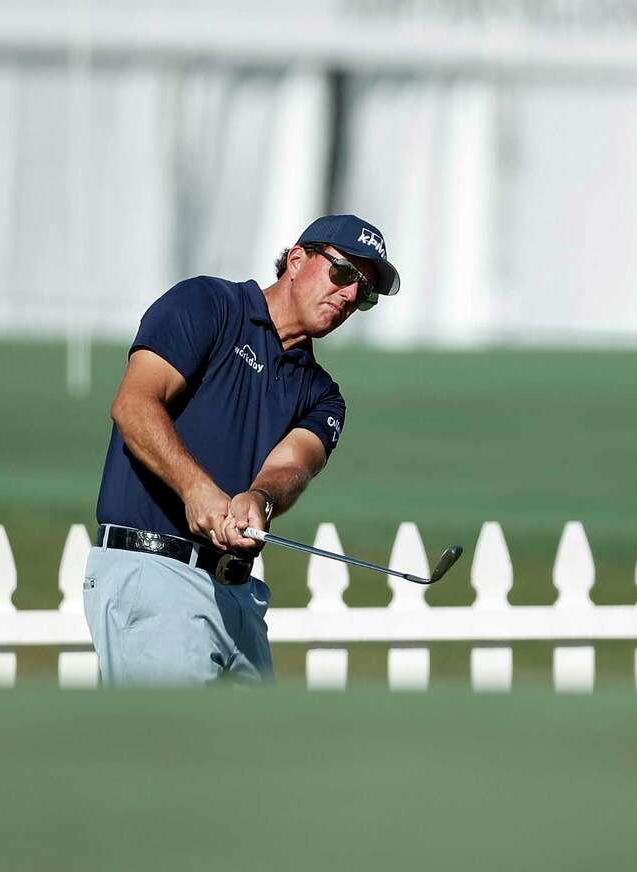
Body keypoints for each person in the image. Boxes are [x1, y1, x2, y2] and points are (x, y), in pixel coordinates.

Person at [84, 214, 400, 685]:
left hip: (238, 594)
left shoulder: (322, 394)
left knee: (254, 757)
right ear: (297, 260)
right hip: (156, 570)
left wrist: (261, 499)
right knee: (176, 754)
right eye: (344, 273)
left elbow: (294, 463)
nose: (351, 295)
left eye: (365, 293)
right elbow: (133, 404)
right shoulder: (208, 304)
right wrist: (196, 489)